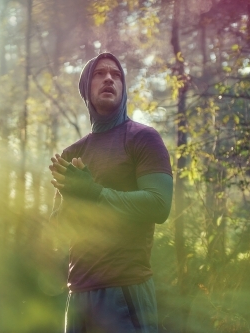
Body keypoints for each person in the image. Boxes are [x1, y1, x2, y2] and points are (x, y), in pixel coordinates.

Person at [49, 52, 173, 333]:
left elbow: (159, 205)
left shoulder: (142, 138)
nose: (108, 78)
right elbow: (59, 231)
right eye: (99, 73)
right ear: (86, 89)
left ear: (123, 87)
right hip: (78, 294)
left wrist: (94, 193)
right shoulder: (73, 154)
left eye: (116, 75)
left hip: (126, 291)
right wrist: (74, 199)